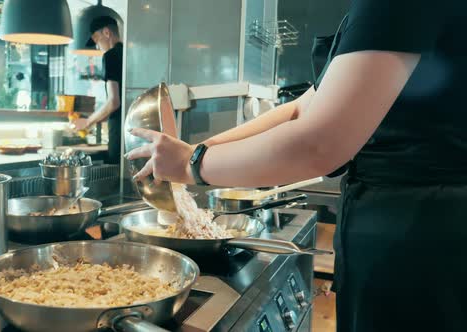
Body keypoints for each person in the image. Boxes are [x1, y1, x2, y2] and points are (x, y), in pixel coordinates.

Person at [125, 0, 467, 331]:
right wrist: (200, 150)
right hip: (406, 232)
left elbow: (321, 143)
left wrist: (193, 166)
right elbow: (304, 107)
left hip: (421, 244)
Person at [73, 16, 123, 164]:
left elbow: (114, 102)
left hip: (118, 132)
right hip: (134, 131)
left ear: (106, 32)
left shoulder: (111, 56)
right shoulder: (128, 54)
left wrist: (87, 122)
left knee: (117, 178)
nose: (96, 46)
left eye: (96, 39)